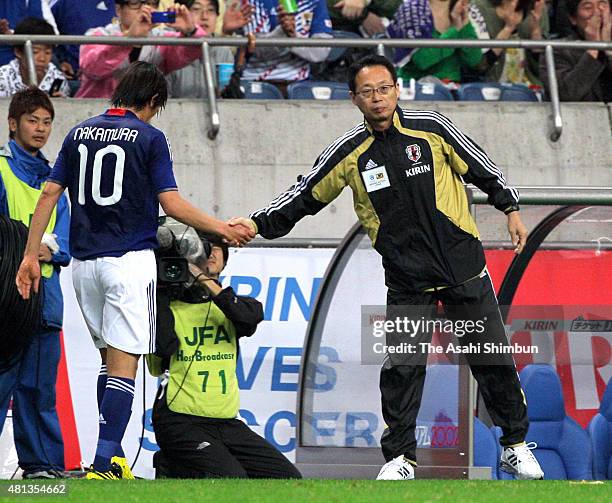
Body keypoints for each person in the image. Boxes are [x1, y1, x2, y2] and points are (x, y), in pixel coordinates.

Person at [232, 54, 544, 481]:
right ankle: (401, 459)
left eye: (384, 89)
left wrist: (510, 207)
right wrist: (257, 222)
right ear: (353, 99)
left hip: (464, 272)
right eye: (367, 92)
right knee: (403, 368)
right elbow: (304, 195)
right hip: (407, 282)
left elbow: (483, 167)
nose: (377, 99)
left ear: (397, 90)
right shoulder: (349, 153)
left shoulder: (432, 128)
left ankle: (515, 445)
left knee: (491, 360)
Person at [15, 61, 254, 480]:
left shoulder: (78, 132)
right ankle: (104, 464)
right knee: (125, 365)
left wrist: (31, 255)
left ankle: (111, 458)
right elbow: (172, 204)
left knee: (109, 361)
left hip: (84, 267)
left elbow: (50, 192)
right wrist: (220, 227)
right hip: (127, 261)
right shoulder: (149, 137)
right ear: (154, 101)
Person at [149, 233, 302, 479]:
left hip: (226, 422)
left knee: (286, 478)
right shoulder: (167, 307)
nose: (210, 252)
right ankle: (173, 463)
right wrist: (165, 288)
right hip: (179, 420)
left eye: (217, 247)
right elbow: (163, 348)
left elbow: (248, 317)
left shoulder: (233, 307)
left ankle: (174, 465)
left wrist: (204, 280)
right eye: (202, 247)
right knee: (232, 480)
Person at [0, 88, 70, 480]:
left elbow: (66, 241)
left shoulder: (56, 178)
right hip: (7, 298)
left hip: (45, 300)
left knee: (39, 389)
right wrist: (31, 246)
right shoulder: (1, 169)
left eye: (46, 122)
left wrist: (49, 250)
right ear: (13, 123)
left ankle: (42, 469)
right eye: (32, 120)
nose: (41, 129)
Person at [76, 1, 206, 99]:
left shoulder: (163, 39)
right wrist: (128, 39)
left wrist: (191, 31)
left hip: (144, 118)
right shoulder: (98, 35)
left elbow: (189, 53)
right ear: (118, 10)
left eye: (151, 3)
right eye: (135, 3)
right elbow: (92, 69)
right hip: (96, 114)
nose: (145, 9)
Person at [242, 0, 333, 94]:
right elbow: (256, 50)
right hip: (256, 83)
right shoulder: (254, 2)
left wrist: (292, 37)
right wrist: (282, 32)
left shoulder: (315, 2)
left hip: (300, 84)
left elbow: (321, 53)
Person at [386, 0, 488, 83]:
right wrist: (455, 30)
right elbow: (422, 60)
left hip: (450, 90)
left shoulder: (461, 10)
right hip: (415, 89)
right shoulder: (411, 10)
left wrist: (465, 25)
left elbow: (474, 60)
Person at [166, 0, 248, 98]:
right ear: (182, 14)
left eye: (210, 10)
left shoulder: (223, 51)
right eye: (196, 9)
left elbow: (228, 102)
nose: (204, 16)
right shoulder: (169, 47)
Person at [539, 0, 611, 101]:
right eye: (588, 8)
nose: (597, 12)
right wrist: (594, 47)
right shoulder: (557, 50)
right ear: (573, 19)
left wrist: (608, 49)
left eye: (602, 4)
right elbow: (565, 95)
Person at [474, 0, 549, 86]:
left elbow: (542, 68)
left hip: (529, 86)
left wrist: (535, 31)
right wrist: (508, 28)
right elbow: (480, 65)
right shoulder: (478, 7)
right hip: (491, 86)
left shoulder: (537, 6)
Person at [0, 17, 70, 98]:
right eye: (35, 52)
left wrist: (60, 105)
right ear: (18, 52)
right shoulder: (3, 78)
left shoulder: (58, 79)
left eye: (48, 52)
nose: (42, 59)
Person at [49, 0, 115, 79]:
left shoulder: (128, 5)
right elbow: (44, 33)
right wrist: (59, 62)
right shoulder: (65, 3)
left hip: (119, 77)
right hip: (75, 77)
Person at [0, 0, 58, 66]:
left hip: (36, 53)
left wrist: (13, 35)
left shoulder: (38, 2)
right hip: (5, 55)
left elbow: (55, 36)